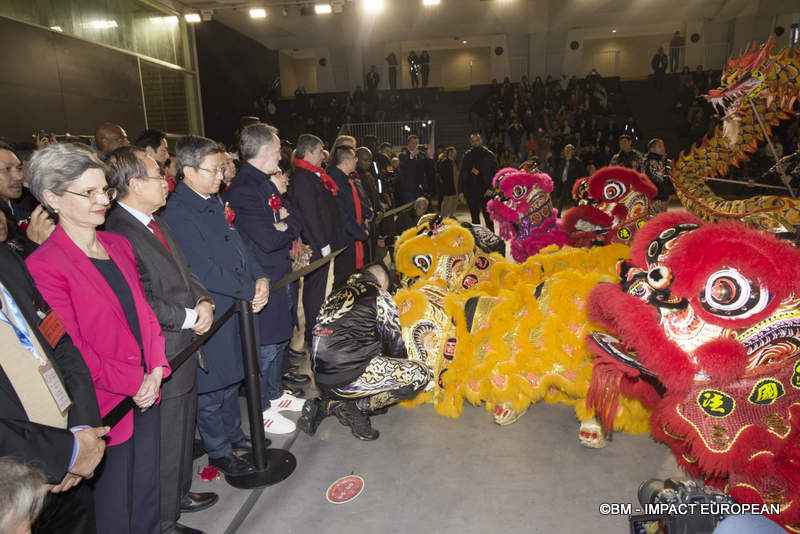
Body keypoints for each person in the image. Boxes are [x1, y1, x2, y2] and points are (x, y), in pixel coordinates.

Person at [24, 142, 171, 534]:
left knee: (147, 494)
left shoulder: (118, 244)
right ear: (52, 198)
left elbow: (145, 313)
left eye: (104, 189)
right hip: (106, 406)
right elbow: (71, 349)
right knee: (114, 511)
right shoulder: (43, 266)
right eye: (87, 192)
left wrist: (155, 368)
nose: (102, 200)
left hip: (147, 389)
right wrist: (133, 382)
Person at [104, 146, 219, 534]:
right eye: (158, 175)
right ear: (135, 184)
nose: (166, 181)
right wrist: (189, 316)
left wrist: (203, 299)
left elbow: (185, 271)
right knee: (165, 440)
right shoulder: (119, 231)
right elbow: (141, 299)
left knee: (181, 432)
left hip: (183, 345)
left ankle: (177, 496)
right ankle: (163, 521)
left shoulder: (154, 221)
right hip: (162, 350)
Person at [160, 136, 269, 478]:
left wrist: (259, 276)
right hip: (212, 307)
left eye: (222, 167)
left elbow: (236, 243)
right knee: (211, 387)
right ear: (189, 170)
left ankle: (234, 435)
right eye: (215, 169)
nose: (222, 175)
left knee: (230, 376)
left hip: (233, 303)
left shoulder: (210, 199)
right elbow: (203, 269)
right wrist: (248, 288)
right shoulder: (178, 212)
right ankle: (218, 449)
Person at [0, 241, 106, 534]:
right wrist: (64, 453)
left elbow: (60, 342)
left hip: (71, 469)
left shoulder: (7, 260)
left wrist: (81, 432)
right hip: (12, 492)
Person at [225, 124, 306, 435]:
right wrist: (282, 227)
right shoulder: (245, 188)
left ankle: (274, 393)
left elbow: (295, 218)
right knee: (266, 345)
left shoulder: (265, 184)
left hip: (279, 273)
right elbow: (267, 238)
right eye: (276, 150)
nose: (280, 156)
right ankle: (261, 408)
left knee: (280, 339)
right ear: (263, 151)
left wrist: (286, 226)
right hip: (263, 278)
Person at [298, 263, 430, 440]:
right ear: (382, 281)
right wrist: (403, 367)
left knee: (372, 352)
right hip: (347, 375)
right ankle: (355, 407)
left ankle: (328, 404)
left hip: (321, 375)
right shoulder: (379, 295)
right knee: (419, 375)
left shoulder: (337, 293)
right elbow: (395, 347)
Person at [288, 134, 345, 351]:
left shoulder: (312, 175)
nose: (323, 156)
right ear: (309, 152)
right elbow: (310, 214)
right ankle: (314, 332)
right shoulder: (303, 177)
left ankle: (317, 327)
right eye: (320, 151)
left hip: (321, 241)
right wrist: (322, 243)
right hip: (314, 243)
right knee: (314, 290)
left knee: (319, 289)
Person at [329, 146, 369, 288]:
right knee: (343, 280)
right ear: (346, 161)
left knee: (352, 279)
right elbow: (342, 215)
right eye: (354, 158)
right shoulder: (335, 180)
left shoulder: (346, 178)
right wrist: (360, 233)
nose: (356, 161)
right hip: (345, 239)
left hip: (352, 237)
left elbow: (355, 206)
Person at [0, 141, 54, 246]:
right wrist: (33, 243)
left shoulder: (29, 206)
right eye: (7, 169)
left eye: (19, 169)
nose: (19, 177)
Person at [458, 133, 498, 228]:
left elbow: (496, 173)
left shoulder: (489, 155)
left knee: (488, 218)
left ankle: (492, 240)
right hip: (471, 191)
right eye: (473, 141)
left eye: (477, 140)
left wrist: (491, 188)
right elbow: (462, 173)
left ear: (481, 141)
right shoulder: (467, 156)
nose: (475, 143)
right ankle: (478, 241)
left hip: (486, 191)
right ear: (470, 142)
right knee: (475, 220)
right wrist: (461, 191)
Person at [397, 135, 431, 204]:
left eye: (417, 143)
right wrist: (412, 155)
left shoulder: (421, 155)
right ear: (408, 143)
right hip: (409, 188)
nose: (415, 145)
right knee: (410, 209)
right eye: (413, 143)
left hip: (420, 188)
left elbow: (428, 169)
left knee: (420, 209)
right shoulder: (403, 155)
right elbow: (404, 166)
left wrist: (428, 156)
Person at [643, 138, 673, 213]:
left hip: (661, 196)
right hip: (655, 198)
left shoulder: (660, 161)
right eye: (660, 146)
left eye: (663, 146)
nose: (663, 148)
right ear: (652, 149)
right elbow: (659, 178)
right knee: (658, 220)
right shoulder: (652, 162)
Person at [553, 144, 587, 212]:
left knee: (572, 198)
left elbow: (582, 173)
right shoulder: (561, 160)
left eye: (569, 150)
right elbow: (558, 171)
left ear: (573, 152)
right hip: (563, 181)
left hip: (572, 182)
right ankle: (558, 214)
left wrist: (579, 182)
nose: (567, 152)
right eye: (566, 150)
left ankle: (579, 212)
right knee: (563, 198)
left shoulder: (577, 161)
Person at [437, 147, 459, 219]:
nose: (453, 154)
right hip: (448, 185)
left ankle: (452, 214)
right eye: (451, 152)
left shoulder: (455, 161)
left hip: (455, 184)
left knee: (454, 200)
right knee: (446, 201)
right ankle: (443, 215)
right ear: (448, 153)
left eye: (454, 152)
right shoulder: (444, 162)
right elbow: (441, 174)